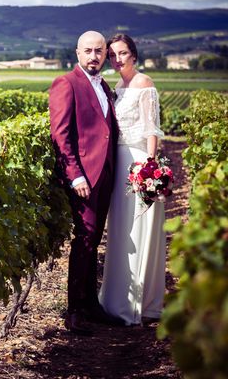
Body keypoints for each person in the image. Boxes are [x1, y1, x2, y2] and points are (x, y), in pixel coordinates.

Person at [49, 30, 124, 335]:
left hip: (106, 174)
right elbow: (61, 135)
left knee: (93, 240)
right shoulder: (66, 83)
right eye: (88, 51)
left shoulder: (104, 85)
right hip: (84, 177)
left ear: (105, 53)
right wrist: (75, 174)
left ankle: (91, 304)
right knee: (85, 238)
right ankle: (74, 311)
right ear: (77, 53)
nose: (94, 56)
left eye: (99, 51)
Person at [98, 33, 166, 326]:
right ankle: (117, 300)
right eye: (112, 55)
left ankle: (137, 304)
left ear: (134, 54)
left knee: (138, 229)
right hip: (118, 161)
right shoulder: (117, 86)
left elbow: (152, 129)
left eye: (122, 53)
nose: (117, 59)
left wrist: (149, 169)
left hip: (138, 161)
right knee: (121, 232)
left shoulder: (144, 83)